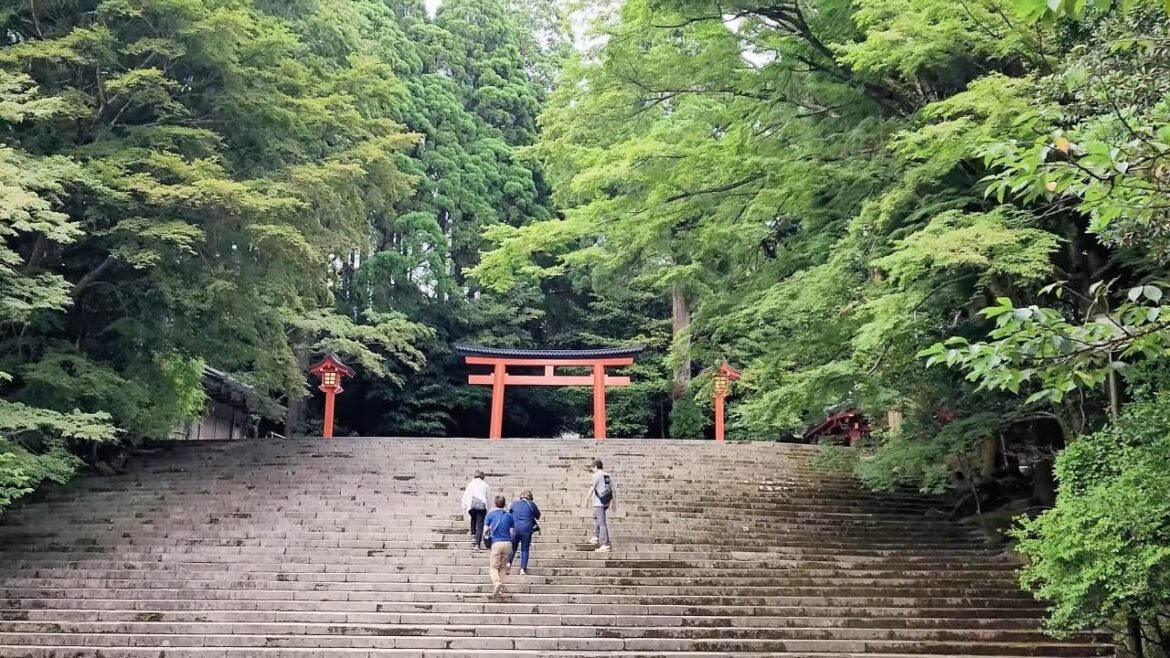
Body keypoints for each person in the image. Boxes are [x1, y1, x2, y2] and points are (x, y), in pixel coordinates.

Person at [484, 495, 515, 598]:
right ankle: (500, 589)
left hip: (496, 543)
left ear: (495, 503)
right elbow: (511, 531)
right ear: (504, 504)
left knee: (493, 567)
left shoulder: (491, 515)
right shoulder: (509, 516)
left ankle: (497, 583)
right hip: (508, 543)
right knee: (502, 567)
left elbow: (485, 530)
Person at [508, 489, 541, 576]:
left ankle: (508, 563)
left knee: (513, 548)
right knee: (525, 549)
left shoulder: (514, 504)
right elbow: (538, 516)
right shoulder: (531, 504)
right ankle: (522, 569)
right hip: (527, 529)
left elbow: (510, 513)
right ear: (530, 497)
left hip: (515, 529)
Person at [586, 459, 615, 552]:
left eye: (593, 468)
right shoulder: (607, 475)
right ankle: (596, 536)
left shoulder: (596, 475)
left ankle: (605, 544)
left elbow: (592, 488)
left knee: (601, 522)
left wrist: (586, 500)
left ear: (595, 467)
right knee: (595, 516)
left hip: (599, 502)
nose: (592, 470)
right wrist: (614, 502)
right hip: (606, 501)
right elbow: (612, 489)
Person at [461, 470, 490, 551]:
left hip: (472, 506)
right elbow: (488, 497)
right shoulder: (485, 485)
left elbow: (466, 496)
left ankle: (473, 536)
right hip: (481, 507)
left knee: (473, 519)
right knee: (480, 525)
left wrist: (464, 506)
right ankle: (477, 544)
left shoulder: (471, 484)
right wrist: (488, 507)